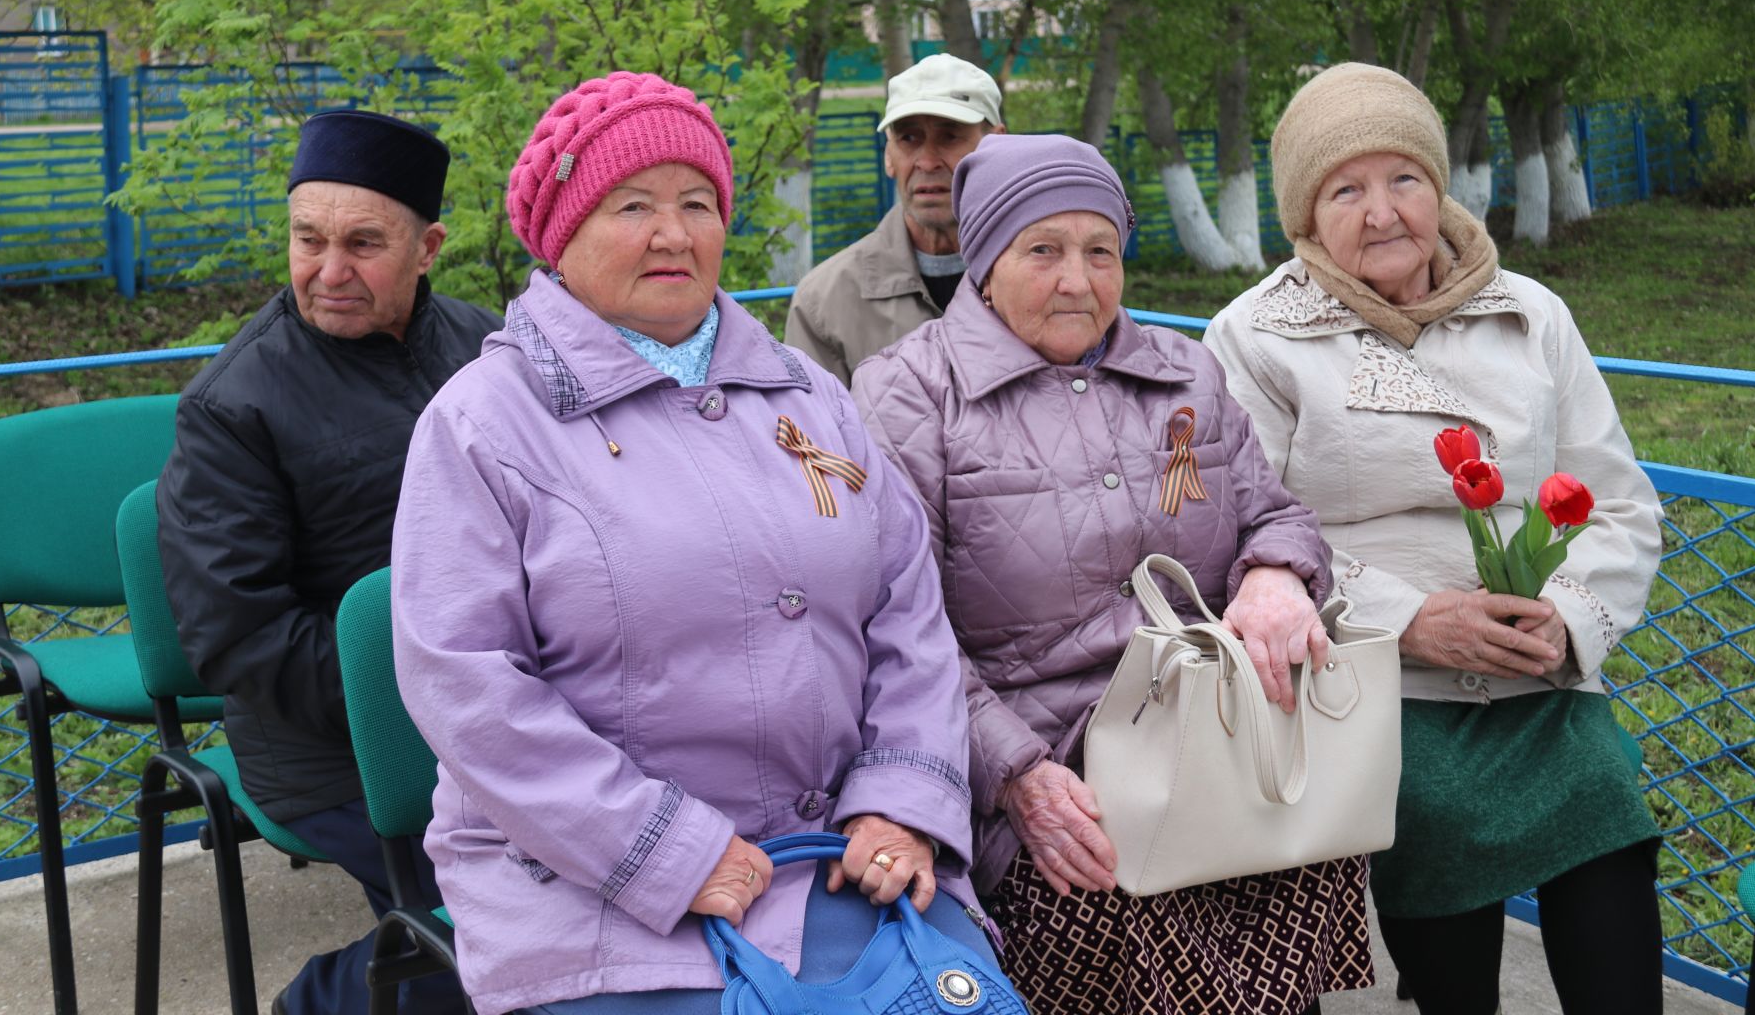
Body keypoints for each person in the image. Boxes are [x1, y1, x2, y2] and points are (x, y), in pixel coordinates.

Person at [390, 71, 994, 1015]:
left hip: (839, 861)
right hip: (593, 889)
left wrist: (899, 800)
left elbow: (908, 612)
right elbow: (463, 681)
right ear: (563, 234)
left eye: (698, 203)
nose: (673, 233)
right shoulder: (482, 424)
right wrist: (667, 850)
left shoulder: (810, 396)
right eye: (632, 205)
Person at [853, 133, 1372, 1015]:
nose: (1077, 280)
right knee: (1122, 894)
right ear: (983, 261)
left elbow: (1276, 516)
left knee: (1289, 872)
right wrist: (1015, 776)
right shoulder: (911, 396)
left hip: (1220, 740)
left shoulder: (1183, 372)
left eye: (1101, 251)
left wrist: (1277, 576)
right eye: (1042, 251)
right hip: (1049, 772)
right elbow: (895, 629)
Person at [1204, 63, 1665, 1015]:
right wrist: (1411, 620)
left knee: (1611, 834)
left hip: (1543, 686)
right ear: (1304, 216)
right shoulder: (1254, 337)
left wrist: (1568, 621)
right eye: (1346, 189)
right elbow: (1235, 534)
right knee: (1445, 886)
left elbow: (1621, 503)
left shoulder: (1533, 315)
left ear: (1438, 187)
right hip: (1377, 694)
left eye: (1404, 179)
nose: (1382, 213)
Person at [158, 109, 500, 1015]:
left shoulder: (487, 348)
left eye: (363, 243)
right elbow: (240, 636)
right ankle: (319, 1002)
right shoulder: (234, 406)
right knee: (503, 924)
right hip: (337, 749)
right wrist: (440, 700)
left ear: (427, 248)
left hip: (512, 713)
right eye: (308, 240)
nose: (329, 272)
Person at [785, 53, 1008, 384]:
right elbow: (809, 431)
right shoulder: (827, 301)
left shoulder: (1047, 277)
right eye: (909, 138)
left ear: (997, 144)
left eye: (950, 136)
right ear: (889, 156)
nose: (928, 161)